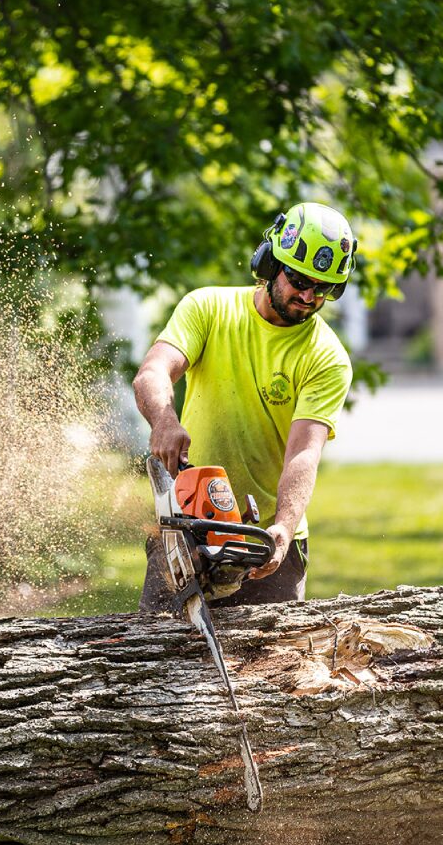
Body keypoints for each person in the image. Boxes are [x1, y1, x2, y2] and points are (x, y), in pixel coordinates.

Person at [133, 201, 356, 610]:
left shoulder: (327, 356)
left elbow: (304, 452)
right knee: (157, 655)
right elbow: (153, 371)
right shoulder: (208, 308)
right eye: (299, 279)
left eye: (321, 289)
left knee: (274, 666)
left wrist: (284, 530)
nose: (307, 296)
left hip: (263, 542)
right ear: (271, 263)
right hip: (187, 524)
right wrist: (164, 420)